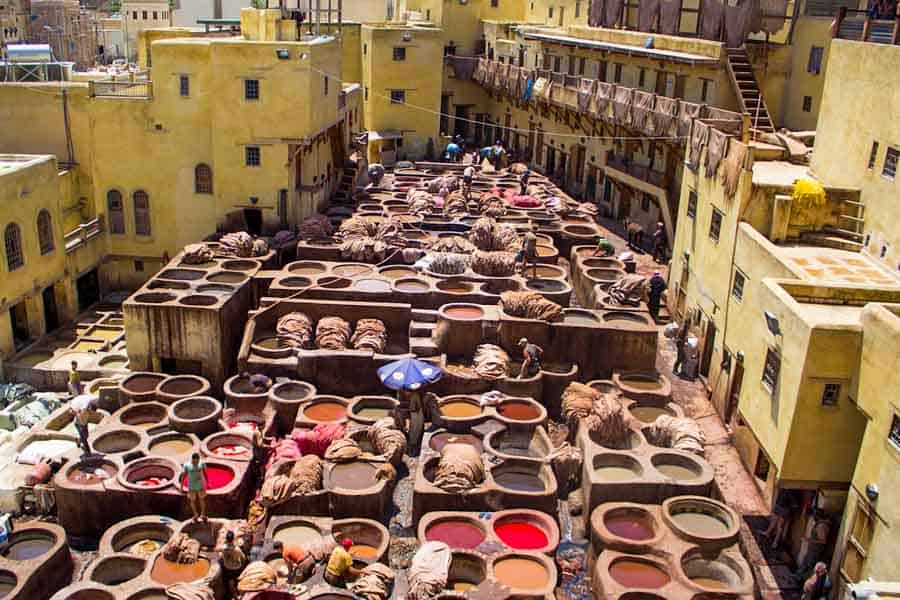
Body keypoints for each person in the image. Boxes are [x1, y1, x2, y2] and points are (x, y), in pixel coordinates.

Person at [181, 452, 208, 522]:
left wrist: (208, 482)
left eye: (197, 462)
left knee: (202, 499)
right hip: (191, 486)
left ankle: (202, 514)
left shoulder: (201, 464)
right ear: (192, 460)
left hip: (200, 485)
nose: (196, 463)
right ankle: (195, 514)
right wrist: (181, 486)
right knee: (192, 501)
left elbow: (205, 473)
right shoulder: (187, 465)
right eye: (194, 462)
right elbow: (183, 476)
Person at [219, 530, 247, 594]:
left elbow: (222, 557)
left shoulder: (223, 548)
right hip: (237, 568)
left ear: (226, 538)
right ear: (233, 539)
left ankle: (229, 588)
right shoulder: (237, 549)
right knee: (236, 579)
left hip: (228, 568)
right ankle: (238, 590)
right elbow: (243, 558)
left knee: (228, 578)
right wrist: (242, 566)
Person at [408, 390, 425, 456]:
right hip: (416, 412)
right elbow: (418, 406)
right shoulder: (415, 394)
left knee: (414, 430)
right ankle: (413, 447)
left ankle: (413, 446)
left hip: (414, 412)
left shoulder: (413, 394)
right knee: (416, 430)